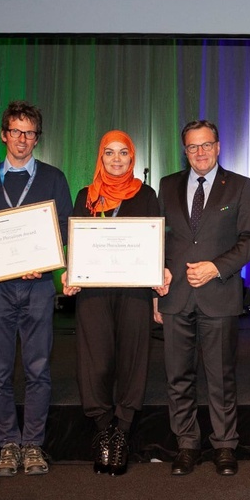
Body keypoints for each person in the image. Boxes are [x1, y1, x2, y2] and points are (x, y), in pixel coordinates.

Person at [0, 100, 72, 477]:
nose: (23, 139)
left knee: (38, 369)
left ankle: (33, 445)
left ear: (37, 138)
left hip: (38, 287)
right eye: (16, 131)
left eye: (30, 133)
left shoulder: (53, 177)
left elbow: (62, 228)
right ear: (4, 135)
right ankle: (7, 445)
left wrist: (44, 261)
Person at [155, 119, 250, 476]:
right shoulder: (167, 185)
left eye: (206, 145)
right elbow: (157, 237)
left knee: (221, 376)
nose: (200, 152)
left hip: (219, 292)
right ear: (184, 151)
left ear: (218, 146)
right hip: (175, 296)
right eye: (192, 147)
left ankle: (225, 445)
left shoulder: (240, 186)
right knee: (178, 376)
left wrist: (216, 267)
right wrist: (158, 271)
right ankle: (186, 444)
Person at [62, 130, 167, 476]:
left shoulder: (146, 195)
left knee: (133, 359)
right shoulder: (86, 197)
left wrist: (156, 288)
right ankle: (103, 427)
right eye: (110, 153)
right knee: (96, 361)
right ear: (101, 157)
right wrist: (70, 273)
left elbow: (156, 244)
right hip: (93, 293)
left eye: (124, 153)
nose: (117, 159)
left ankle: (121, 432)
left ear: (132, 157)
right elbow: (74, 245)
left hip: (135, 292)